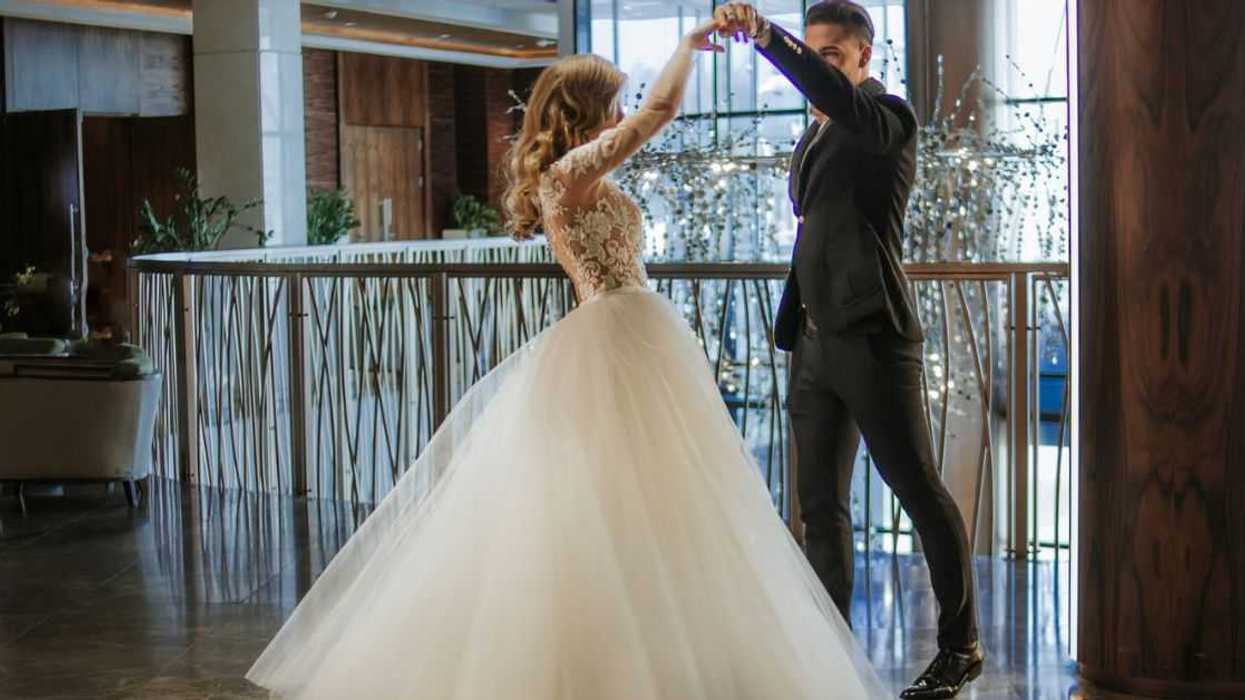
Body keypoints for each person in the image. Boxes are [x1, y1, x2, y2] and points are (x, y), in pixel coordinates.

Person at [247, 17, 887, 700]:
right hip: (614, 336)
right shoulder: (565, 176)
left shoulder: (577, 174)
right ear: (587, 110)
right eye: (610, 101)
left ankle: (665, 635)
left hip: (633, 332)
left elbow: (639, 128)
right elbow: (659, 113)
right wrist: (685, 48)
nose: (619, 112)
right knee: (612, 495)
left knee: (658, 497)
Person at [713, 2, 984, 698]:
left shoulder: (885, 119)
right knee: (819, 506)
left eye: (832, 54)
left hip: (872, 335)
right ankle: (827, 644)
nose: (820, 64)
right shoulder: (813, 134)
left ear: (863, 57)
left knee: (918, 489)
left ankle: (961, 647)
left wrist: (768, 37)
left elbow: (833, 96)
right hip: (812, 341)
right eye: (814, 51)